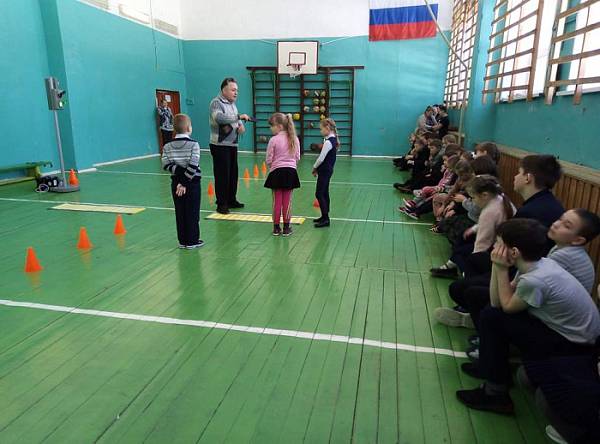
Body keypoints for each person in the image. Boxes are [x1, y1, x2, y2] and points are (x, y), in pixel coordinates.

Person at [456, 218, 600, 415]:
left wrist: (500, 268)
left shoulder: (535, 279)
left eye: (498, 244)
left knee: (493, 317)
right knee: (492, 313)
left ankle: (495, 394)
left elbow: (506, 307)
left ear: (514, 252)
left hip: (573, 345)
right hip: (565, 333)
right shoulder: (536, 264)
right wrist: (498, 267)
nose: (494, 248)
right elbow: (498, 302)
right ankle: (490, 367)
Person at [209, 77, 252, 214]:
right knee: (222, 175)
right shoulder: (216, 103)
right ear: (224, 90)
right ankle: (221, 204)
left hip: (232, 144)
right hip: (220, 145)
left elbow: (236, 120)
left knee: (233, 174)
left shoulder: (232, 104)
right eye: (233, 90)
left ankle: (231, 200)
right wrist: (239, 117)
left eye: (236, 90)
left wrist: (241, 126)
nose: (236, 92)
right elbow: (219, 118)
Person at [161, 114, 203, 249]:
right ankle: (192, 241)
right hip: (192, 184)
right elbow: (193, 165)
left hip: (176, 184)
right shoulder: (194, 144)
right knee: (192, 212)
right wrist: (184, 182)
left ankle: (182, 240)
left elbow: (166, 165)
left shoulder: (167, 146)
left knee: (180, 212)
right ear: (189, 128)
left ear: (174, 129)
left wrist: (179, 179)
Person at [546, 208, 600, 294]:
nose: (555, 224)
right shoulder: (562, 247)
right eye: (560, 219)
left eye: (566, 226)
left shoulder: (564, 255)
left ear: (578, 240)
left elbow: (540, 281)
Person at [264, 113, 301, 237]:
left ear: (279, 126)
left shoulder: (273, 140)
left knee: (277, 202)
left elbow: (269, 159)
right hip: (290, 173)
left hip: (276, 172)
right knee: (287, 202)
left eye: (272, 126)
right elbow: (297, 157)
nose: (270, 128)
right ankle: (286, 227)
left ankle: (276, 228)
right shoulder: (294, 139)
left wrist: (273, 167)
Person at [312, 118, 338, 228]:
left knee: (319, 193)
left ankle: (326, 219)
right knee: (324, 192)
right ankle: (324, 216)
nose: (320, 131)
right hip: (327, 170)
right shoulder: (332, 140)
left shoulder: (328, 142)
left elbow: (321, 158)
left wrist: (314, 167)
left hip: (325, 171)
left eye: (321, 129)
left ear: (327, 128)